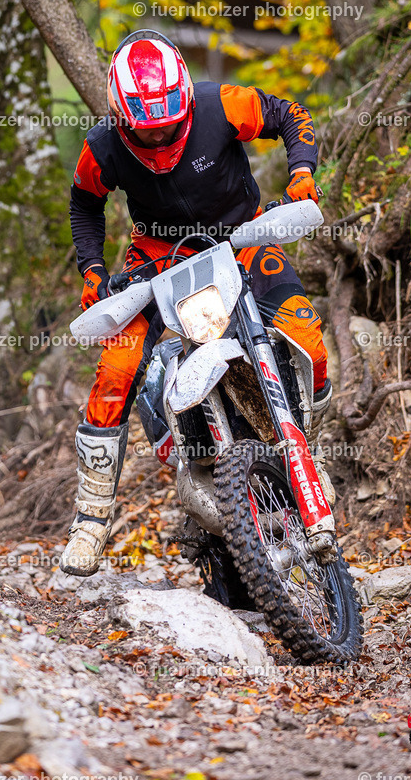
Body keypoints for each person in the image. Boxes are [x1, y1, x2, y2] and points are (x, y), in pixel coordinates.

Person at [60, 29, 333, 576]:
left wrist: (301, 171)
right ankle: (90, 519)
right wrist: (92, 270)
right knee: (114, 369)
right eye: (149, 131)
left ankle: (309, 451)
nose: (161, 141)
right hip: (158, 260)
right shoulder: (104, 146)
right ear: (121, 116)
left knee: (310, 342)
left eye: (170, 126)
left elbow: (288, 113)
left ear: (185, 100)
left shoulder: (218, 105)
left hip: (241, 237)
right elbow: (83, 203)